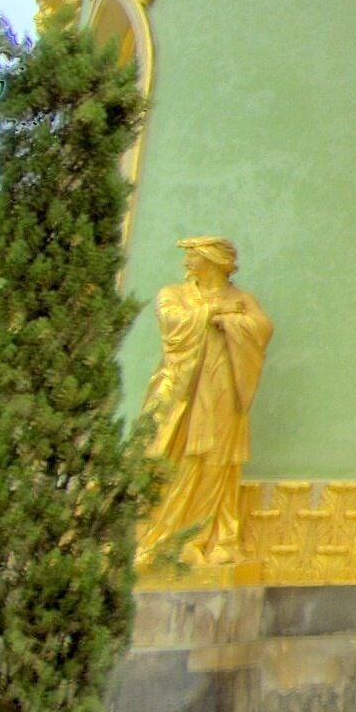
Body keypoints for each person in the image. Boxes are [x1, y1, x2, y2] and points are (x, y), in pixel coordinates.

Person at [135, 237, 272, 576]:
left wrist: (232, 322)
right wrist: (212, 312)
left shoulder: (241, 300)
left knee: (216, 459)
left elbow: (263, 328)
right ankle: (161, 536)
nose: (186, 263)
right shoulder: (174, 294)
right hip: (181, 391)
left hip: (223, 386)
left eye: (193, 256)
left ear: (212, 260)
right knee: (174, 458)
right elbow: (171, 323)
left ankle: (198, 537)